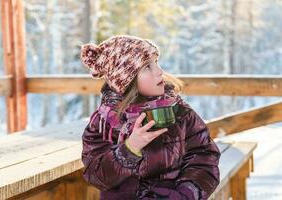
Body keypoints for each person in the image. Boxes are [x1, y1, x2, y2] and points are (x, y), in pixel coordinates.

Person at [80, 35, 220, 200]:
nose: (159, 71)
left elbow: (204, 156)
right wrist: (129, 149)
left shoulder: (178, 112)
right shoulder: (104, 122)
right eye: (147, 67)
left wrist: (185, 194)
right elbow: (96, 176)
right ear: (126, 79)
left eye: (156, 62)